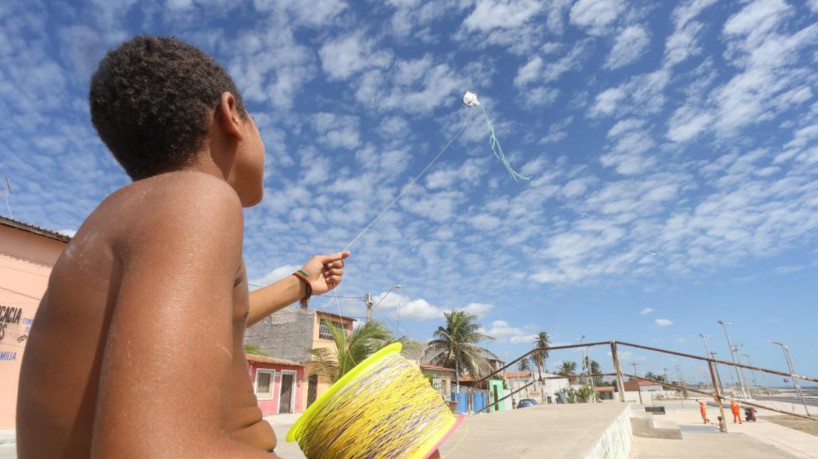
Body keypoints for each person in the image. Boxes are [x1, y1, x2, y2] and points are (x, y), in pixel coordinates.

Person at [16, 36, 350, 458]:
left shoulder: (138, 212)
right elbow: (154, 452)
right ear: (231, 114)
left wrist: (301, 283)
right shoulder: (199, 198)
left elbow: (220, 317)